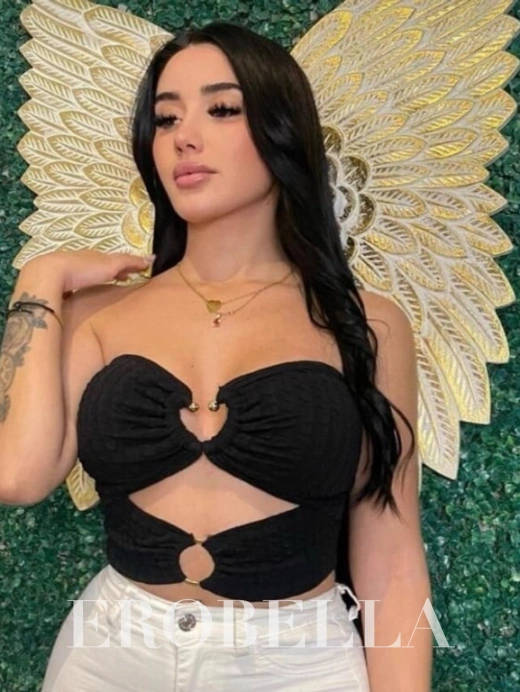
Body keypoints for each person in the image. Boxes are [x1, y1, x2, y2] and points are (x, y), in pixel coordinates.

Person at [0, 21, 432, 692]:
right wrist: (37, 279)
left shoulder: (367, 325)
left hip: (299, 665)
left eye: (222, 109)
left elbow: (392, 556)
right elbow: (17, 477)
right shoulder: (96, 314)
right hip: (109, 656)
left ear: (283, 130)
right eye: (166, 118)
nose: (184, 137)